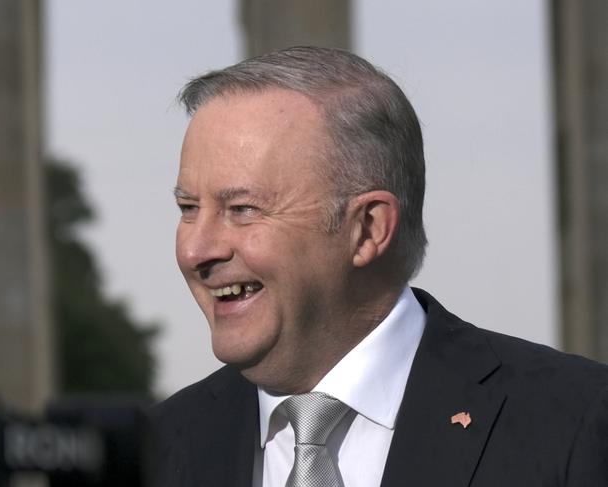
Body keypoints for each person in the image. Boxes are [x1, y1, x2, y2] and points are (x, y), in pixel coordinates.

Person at [152, 46, 608, 486]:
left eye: (242, 209)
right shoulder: (158, 448)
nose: (197, 250)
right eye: (188, 208)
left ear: (368, 229)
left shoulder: (575, 423)